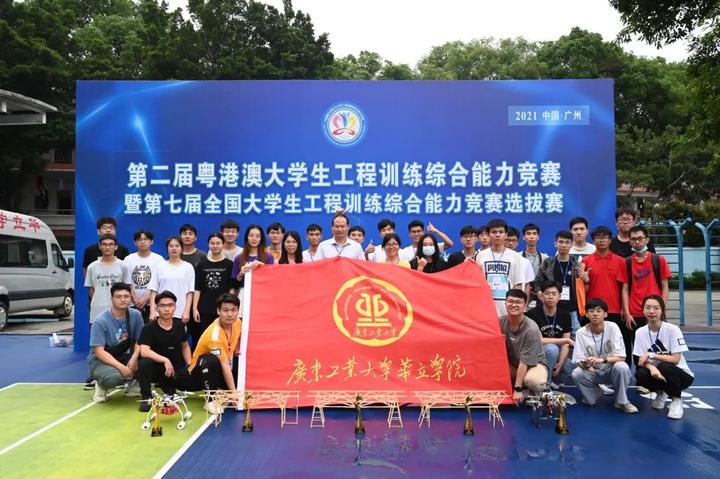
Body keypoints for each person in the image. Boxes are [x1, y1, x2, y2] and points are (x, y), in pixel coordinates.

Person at [571, 298, 638, 413]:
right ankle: (596, 392)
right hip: (593, 372)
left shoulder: (613, 327)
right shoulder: (580, 333)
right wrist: (586, 364)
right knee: (576, 373)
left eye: (598, 311)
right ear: (586, 314)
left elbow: (622, 357)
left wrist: (601, 360)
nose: (595, 314)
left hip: (611, 371)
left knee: (622, 367)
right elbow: (578, 360)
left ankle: (622, 401)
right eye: (591, 311)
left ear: (605, 314)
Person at [633, 295, 693, 419]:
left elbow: (675, 359)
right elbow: (640, 360)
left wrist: (652, 355)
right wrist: (651, 367)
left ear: (662, 310)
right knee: (640, 374)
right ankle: (662, 392)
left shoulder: (673, 329)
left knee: (665, 366)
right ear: (643, 310)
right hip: (658, 374)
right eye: (648, 307)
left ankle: (676, 400)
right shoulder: (640, 332)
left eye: (656, 308)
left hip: (681, 376)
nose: (651, 311)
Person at [618, 225, 671, 366]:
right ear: (629, 241)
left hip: (655, 312)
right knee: (638, 351)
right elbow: (624, 289)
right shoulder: (626, 262)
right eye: (633, 239)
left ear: (647, 240)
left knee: (660, 349)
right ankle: (642, 377)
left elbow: (665, 286)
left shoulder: (659, 260)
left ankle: (659, 376)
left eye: (640, 238)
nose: (637, 242)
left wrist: (661, 308)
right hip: (635, 313)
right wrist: (627, 313)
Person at [136, 291, 196, 412]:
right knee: (144, 363)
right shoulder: (149, 328)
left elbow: (185, 346)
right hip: (155, 368)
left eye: (170, 305)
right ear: (156, 308)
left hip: (174, 369)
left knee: (191, 383)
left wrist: (190, 365)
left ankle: (170, 391)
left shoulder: (180, 326)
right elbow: (144, 351)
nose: (167, 309)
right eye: (162, 305)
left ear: (175, 307)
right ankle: (146, 398)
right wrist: (164, 360)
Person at [87, 282, 144, 403]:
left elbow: (140, 341)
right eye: (118, 297)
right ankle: (101, 384)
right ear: (111, 299)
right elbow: (99, 351)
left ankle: (134, 386)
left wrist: (134, 358)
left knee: (148, 362)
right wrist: (121, 367)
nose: (123, 300)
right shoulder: (100, 321)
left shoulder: (136, 315)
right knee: (113, 379)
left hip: (124, 356)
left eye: (126, 296)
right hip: (101, 359)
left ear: (130, 298)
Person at [189, 293, 242, 414]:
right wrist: (234, 394)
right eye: (225, 310)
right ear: (218, 311)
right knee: (211, 360)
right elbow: (224, 365)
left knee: (239, 358)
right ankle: (210, 400)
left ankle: (220, 389)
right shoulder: (214, 336)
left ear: (238, 311)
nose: (230, 314)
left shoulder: (237, 322)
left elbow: (239, 335)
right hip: (198, 373)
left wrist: (236, 349)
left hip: (220, 368)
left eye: (233, 310)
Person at [499, 289, 548, 405]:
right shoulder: (500, 321)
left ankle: (530, 389)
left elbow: (524, 362)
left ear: (525, 305)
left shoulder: (531, 329)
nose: (514, 305)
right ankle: (519, 384)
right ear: (505, 303)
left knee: (533, 381)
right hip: (514, 364)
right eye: (510, 301)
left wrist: (517, 389)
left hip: (534, 364)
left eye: (518, 302)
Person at [534, 230, 588, 334]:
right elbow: (537, 283)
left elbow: (583, 289)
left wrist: (586, 280)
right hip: (550, 307)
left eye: (567, 242)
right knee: (550, 334)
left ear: (572, 244)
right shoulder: (548, 263)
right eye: (561, 242)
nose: (563, 245)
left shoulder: (577, 265)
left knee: (576, 335)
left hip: (571, 308)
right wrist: (541, 296)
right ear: (555, 243)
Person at [526, 281, 575, 388]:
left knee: (573, 368)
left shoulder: (565, 315)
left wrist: (560, 363)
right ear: (541, 296)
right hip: (537, 353)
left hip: (557, 354)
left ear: (559, 297)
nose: (550, 297)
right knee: (552, 349)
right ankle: (546, 384)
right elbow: (539, 340)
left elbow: (566, 344)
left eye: (554, 294)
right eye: (547, 293)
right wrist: (565, 341)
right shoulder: (532, 314)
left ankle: (553, 378)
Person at [476, 219, 524, 316]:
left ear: (506, 235)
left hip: (508, 307)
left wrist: (516, 307)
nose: (497, 235)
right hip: (486, 305)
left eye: (501, 232)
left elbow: (518, 285)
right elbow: (477, 282)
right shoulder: (481, 255)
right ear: (488, 234)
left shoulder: (515, 256)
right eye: (494, 232)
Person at [192, 233, 234, 342]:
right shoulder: (201, 265)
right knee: (206, 338)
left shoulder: (230, 264)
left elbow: (231, 289)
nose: (215, 246)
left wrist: (231, 308)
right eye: (212, 243)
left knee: (223, 337)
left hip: (223, 308)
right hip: (205, 308)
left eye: (218, 243)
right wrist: (195, 308)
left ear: (223, 244)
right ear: (208, 245)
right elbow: (197, 289)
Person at [85, 234, 131, 323]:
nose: (107, 247)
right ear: (100, 246)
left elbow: (127, 288)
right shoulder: (92, 267)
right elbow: (91, 289)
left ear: (116, 247)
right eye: (104, 244)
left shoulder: (123, 266)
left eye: (110, 244)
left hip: (119, 309)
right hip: (98, 310)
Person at [148, 236, 195, 323]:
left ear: (181, 248)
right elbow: (153, 290)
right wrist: (152, 311)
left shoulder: (188, 267)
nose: (174, 248)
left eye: (177, 246)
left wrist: (187, 311)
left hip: (180, 312)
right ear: (167, 248)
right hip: (161, 312)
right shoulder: (159, 266)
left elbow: (190, 292)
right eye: (171, 246)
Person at [124, 229, 164, 323]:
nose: (142, 242)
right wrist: (136, 300)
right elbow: (127, 282)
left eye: (145, 239)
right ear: (135, 243)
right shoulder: (128, 259)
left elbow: (160, 283)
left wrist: (145, 299)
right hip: (132, 304)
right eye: (139, 240)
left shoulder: (159, 260)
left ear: (151, 241)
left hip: (152, 305)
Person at [231, 224, 275, 294]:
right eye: (251, 235)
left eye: (257, 236)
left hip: (263, 293)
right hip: (244, 294)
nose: (254, 239)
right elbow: (234, 285)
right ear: (247, 237)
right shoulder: (239, 258)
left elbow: (272, 281)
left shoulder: (268, 257)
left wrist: (264, 268)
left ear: (261, 239)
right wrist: (240, 274)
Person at [505, 226, 535, 300]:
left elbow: (527, 286)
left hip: (518, 302)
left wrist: (525, 304)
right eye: (508, 240)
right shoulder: (497, 259)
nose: (511, 243)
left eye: (514, 240)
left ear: (518, 242)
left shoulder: (525, 262)